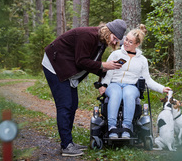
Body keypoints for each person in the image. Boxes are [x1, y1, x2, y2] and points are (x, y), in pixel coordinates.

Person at [42, 19, 126, 157]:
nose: (114, 42)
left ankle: (69, 143)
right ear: (108, 32)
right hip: (54, 66)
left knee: (73, 104)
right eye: (114, 38)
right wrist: (104, 65)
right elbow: (81, 61)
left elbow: (94, 63)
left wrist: (105, 74)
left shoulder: (101, 42)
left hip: (67, 68)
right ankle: (66, 146)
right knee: (65, 105)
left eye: (117, 40)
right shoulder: (87, 35)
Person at [98, 24, 172, 139]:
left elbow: (147, 80)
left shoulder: (142, 60)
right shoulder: (116, 54)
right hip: (114, 84)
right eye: (126, 39)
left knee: (129, 94)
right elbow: (108, 73)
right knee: (115, 93)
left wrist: (162, 88)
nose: (126, 43)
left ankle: (127, 127)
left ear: (137, 44)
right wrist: (104, 85)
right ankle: (112, 127)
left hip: (131, 86)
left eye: (130, 42)